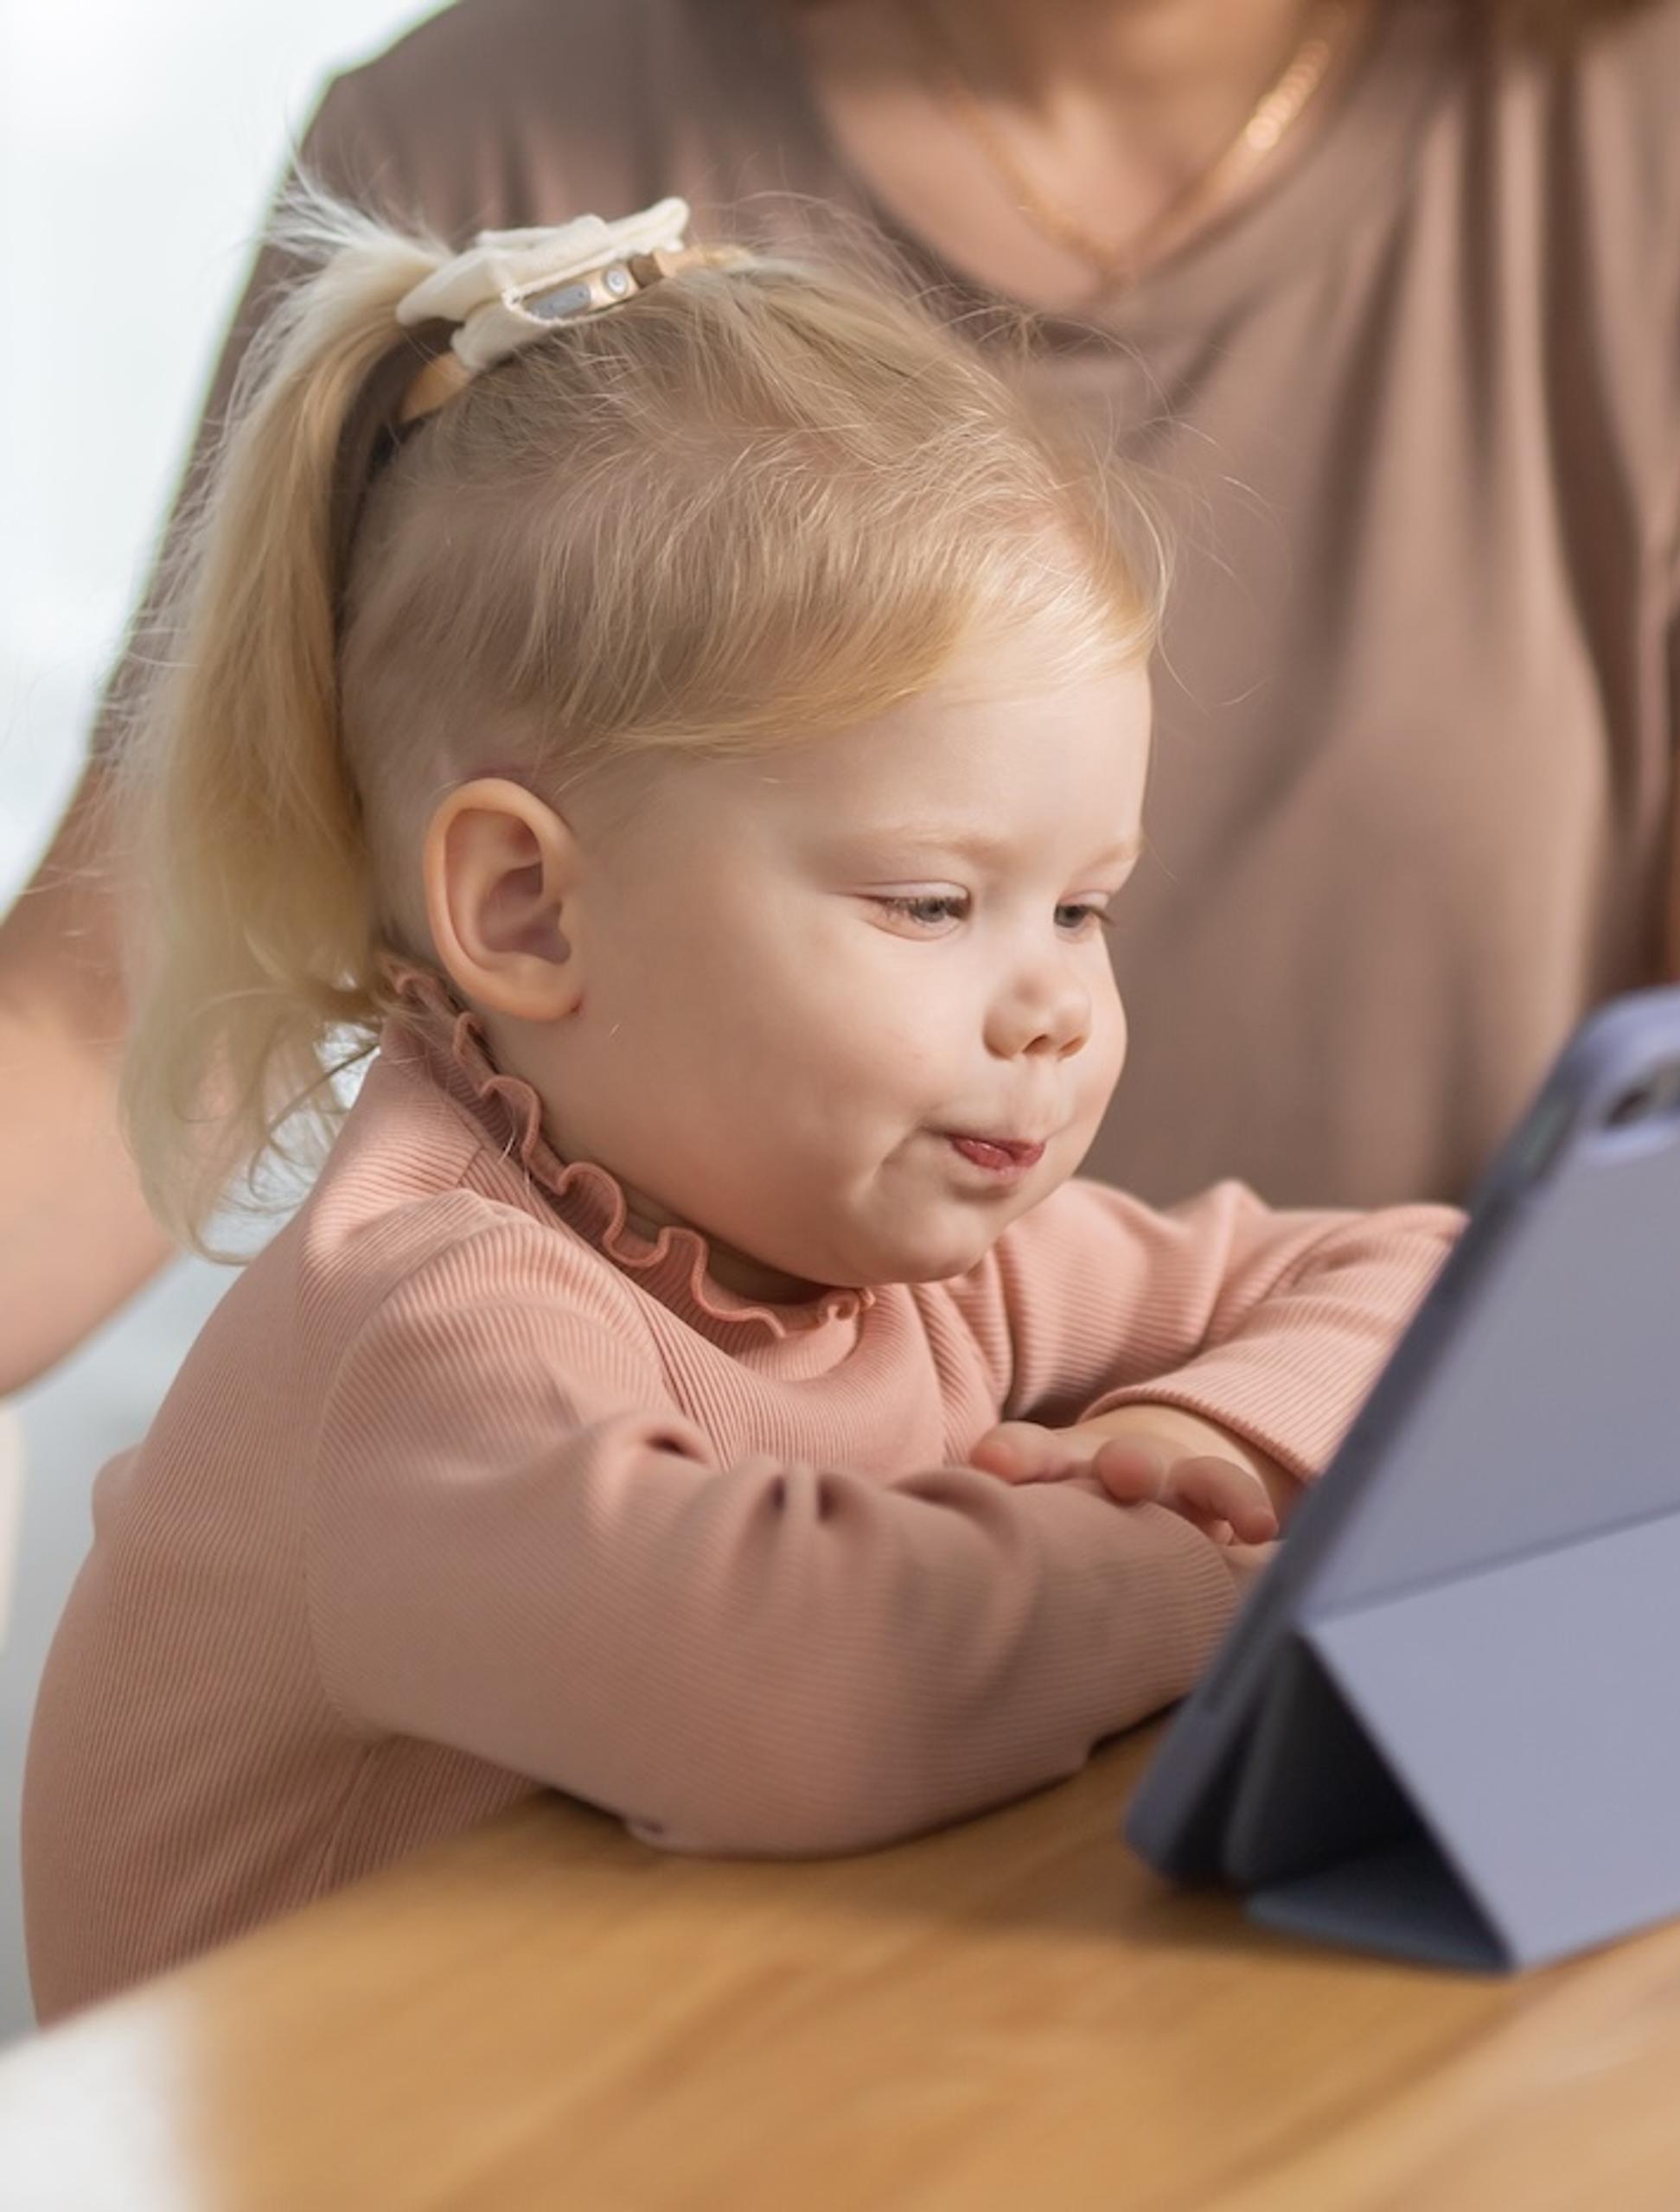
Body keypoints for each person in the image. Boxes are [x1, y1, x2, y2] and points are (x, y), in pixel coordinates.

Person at [0, 0, 1680, 1395]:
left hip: (1403, 1582)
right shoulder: (479, 145)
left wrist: (1257, 1461)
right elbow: (110, 1023)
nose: (1051, 1013)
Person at [21, 201, 1460, 2021]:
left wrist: (1204, 1428)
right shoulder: (421, 1333)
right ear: (533, 909)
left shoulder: (882, 1239)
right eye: (933, 903)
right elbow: (803, 1685)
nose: (1054, 1007)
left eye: (1083, 904)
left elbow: (1436, 1280)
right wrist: (1202, 1553)